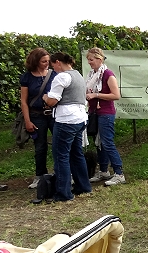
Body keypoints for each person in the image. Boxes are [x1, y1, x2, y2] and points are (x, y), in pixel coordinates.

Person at [42, 52, 92, 202]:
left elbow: (52, 101)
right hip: (80, 119)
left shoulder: (62, 77)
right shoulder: (78, 75)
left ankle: (63, 194)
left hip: (66, 120)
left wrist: (45, 97)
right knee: (76, 154)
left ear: (58, 62)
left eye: (53, 65)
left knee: (61, 156)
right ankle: (84, 186)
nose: (53, 69)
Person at [84, 48, 125, 186]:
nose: (89, 62)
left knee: (107, 142)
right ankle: (103, 170)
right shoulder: (93, 75)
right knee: (99, 143)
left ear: (99, 59)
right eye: (88, 60)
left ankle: (119, 173)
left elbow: (116, 95)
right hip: (95, 113)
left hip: (106, 113)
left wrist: (96, 95)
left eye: (91, 59)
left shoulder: (108, 75)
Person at [20, 48, 57, 189]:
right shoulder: (27, 77)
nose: (47, 64)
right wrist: (27, 120)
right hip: (36, 115)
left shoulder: (54, 75)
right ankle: (40, 176)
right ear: (36, 61)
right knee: (40, 147)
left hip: (53, 114)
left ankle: (62, 173)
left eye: (48, 61)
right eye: (44, 61)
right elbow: (24, 101)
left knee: (59, 144)